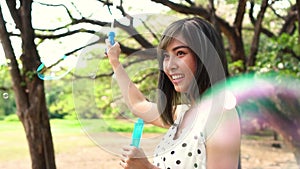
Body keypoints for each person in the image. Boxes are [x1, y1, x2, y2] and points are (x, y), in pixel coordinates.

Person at [105, 17, 240, 169]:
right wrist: (115, 62)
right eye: (166, 56)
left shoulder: (220, 113)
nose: (169, 66)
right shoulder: (182, 114)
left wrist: (147, 168)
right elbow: (138, 104)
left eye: (180, 53)